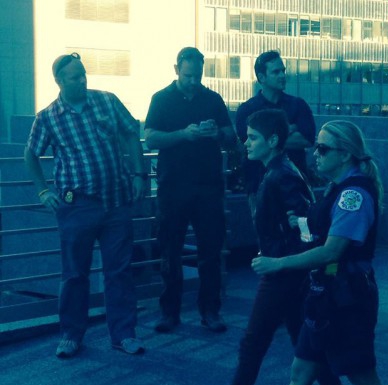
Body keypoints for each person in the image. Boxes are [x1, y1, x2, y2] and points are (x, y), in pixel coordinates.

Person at [222, 121, 388, 385]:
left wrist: (278, 263)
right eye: (316, 147)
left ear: (345, 154)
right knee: (301, 373)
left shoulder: (353, 194)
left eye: (323, 149)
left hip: (346, 301)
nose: (314, 154)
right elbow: (327, 230)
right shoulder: (338, 187)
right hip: (326, 298)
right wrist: (304, 223)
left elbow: (333, 251)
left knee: (365, 380)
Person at [177, 109, 355, 385]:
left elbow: (306, 228)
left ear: (272, 141)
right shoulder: (278, 171)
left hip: (282, 276)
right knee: (307, 346)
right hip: (289, 273)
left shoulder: (281, 175)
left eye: (253, 137)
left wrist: (279, 262)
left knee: (253, 346)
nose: (246, 143)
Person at [24, 52, 146, 358]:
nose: (82, 80)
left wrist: (139, 174)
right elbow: (31, 154)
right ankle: (71, 335)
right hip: (76, 206)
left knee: (119, 271)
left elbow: (131, 132)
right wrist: (42, 190)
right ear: (59, 81)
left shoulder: (106, 101)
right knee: (75, 273)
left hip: (116, 201)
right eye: (75, 77)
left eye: (84, 74)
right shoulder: (48, 117)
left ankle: (124, 334)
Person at [144, 47, 237, 334]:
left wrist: (216, 133)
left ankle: (210, 310)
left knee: (210, 251)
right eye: (188, 76)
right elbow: (150, 139)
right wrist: (184, 135)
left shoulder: (213, 99)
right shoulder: (161, 99)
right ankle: (169, 312)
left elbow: (232, 137)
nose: (193, 81)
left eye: (197, 76)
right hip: (173, 187)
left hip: (208, 187)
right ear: (176, 70)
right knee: (170, 251)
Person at [236, 50, 316, 213]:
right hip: (258, 183)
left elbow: (307, 139)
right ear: (262, 77)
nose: (282, 75)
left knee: (298, 226)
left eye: (283, 71)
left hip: (294, 185)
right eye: (276, 72)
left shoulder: (298, 105)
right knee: (264, 227)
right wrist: (289, 130)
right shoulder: (247, 109)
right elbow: (249, 144)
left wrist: (266, 138)